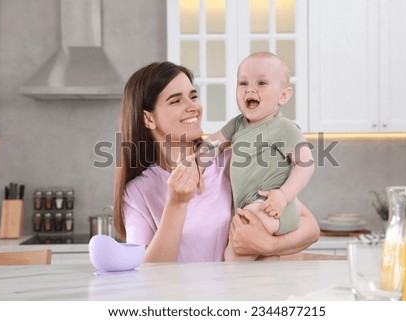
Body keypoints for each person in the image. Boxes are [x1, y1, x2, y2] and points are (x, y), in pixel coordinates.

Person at [113, 61, 319, 263]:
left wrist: (270, 246)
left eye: (193, 96)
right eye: (176, 101)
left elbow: (310, 227)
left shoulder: (232, 161)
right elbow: (147, 274)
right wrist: (176, 204)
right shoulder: (138, 192)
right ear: (148, 119)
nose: (192, 106)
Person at [203, 52, 315, 261]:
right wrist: (193, 163)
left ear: (283, 95)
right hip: (252, 207)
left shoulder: (283, 127)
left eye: (262, 83)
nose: (250, 89)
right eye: (243, 83)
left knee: (235, 252)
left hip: (270, 207)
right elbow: (213, 144)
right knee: (261, 261)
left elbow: (306, 163)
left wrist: (283, 196)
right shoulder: (238, 124)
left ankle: (234, 291)